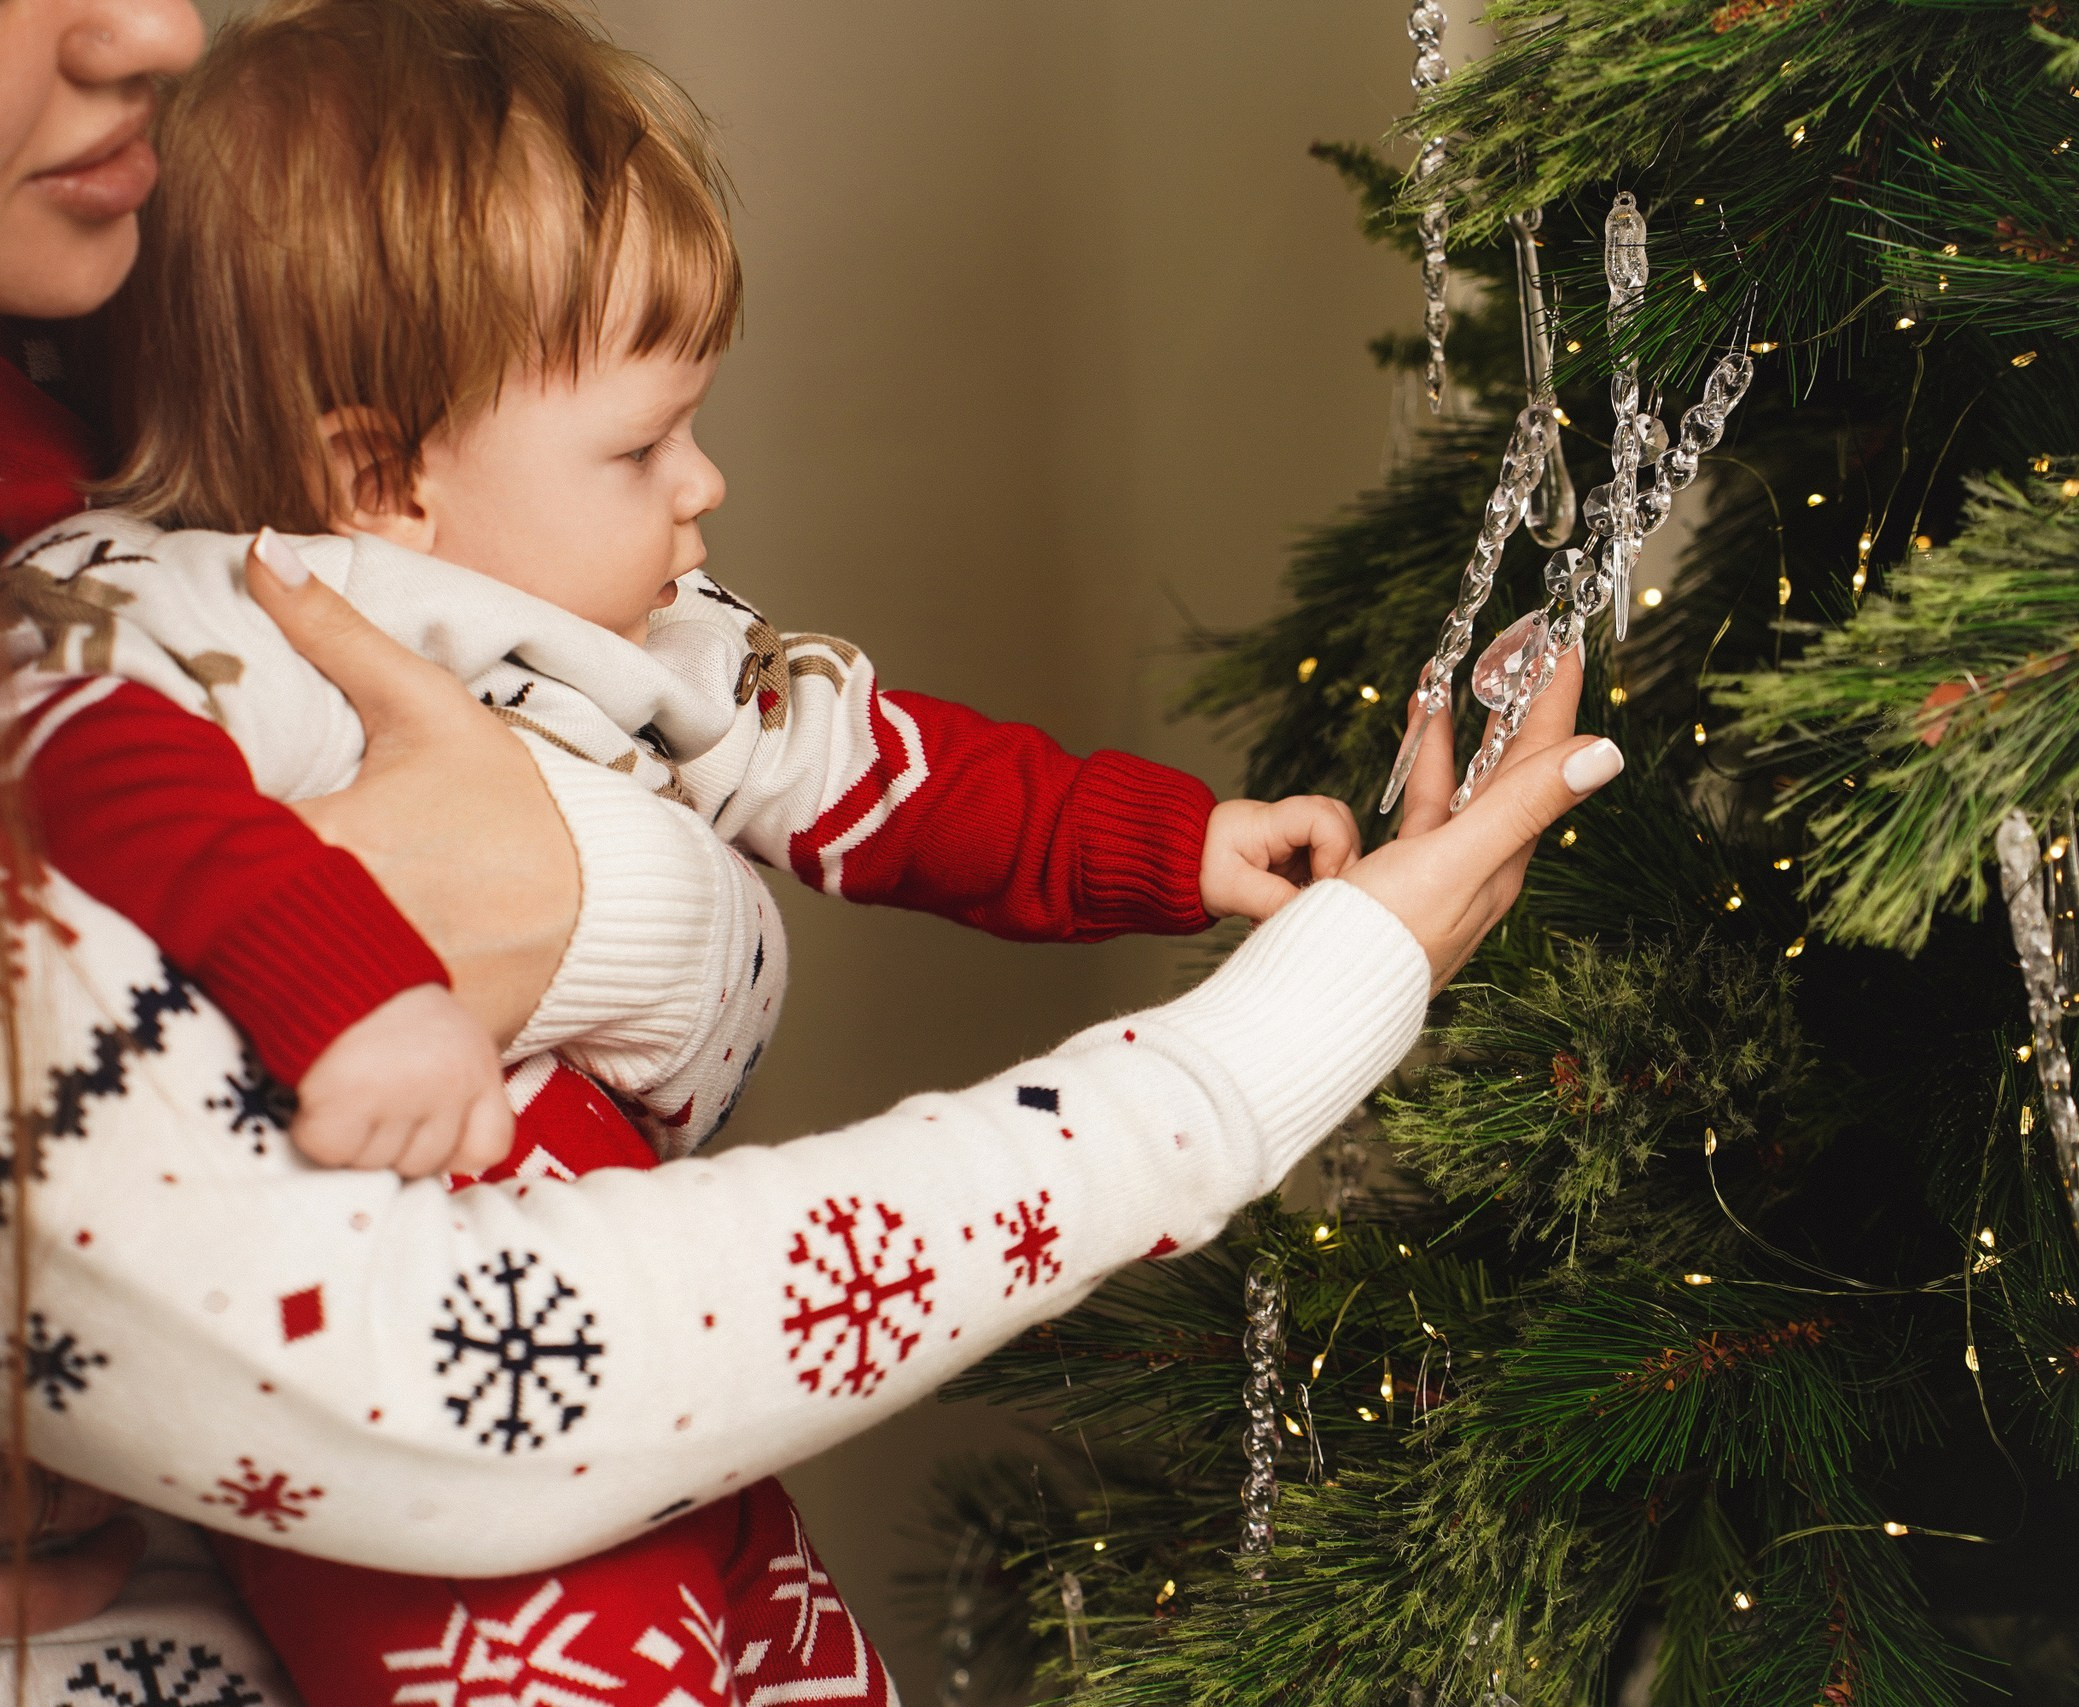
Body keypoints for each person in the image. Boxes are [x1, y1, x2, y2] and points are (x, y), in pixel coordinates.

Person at [0, 0, 1619, 1701]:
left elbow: (885, 770)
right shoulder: (182, 612)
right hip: (450, 1426)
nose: (703, 483)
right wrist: (354, 992)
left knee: (789, 1638)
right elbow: (114, 793)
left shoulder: (654, 634)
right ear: (379, 474)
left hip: (662, 1338)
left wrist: (1179, 845)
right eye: (637, 448)